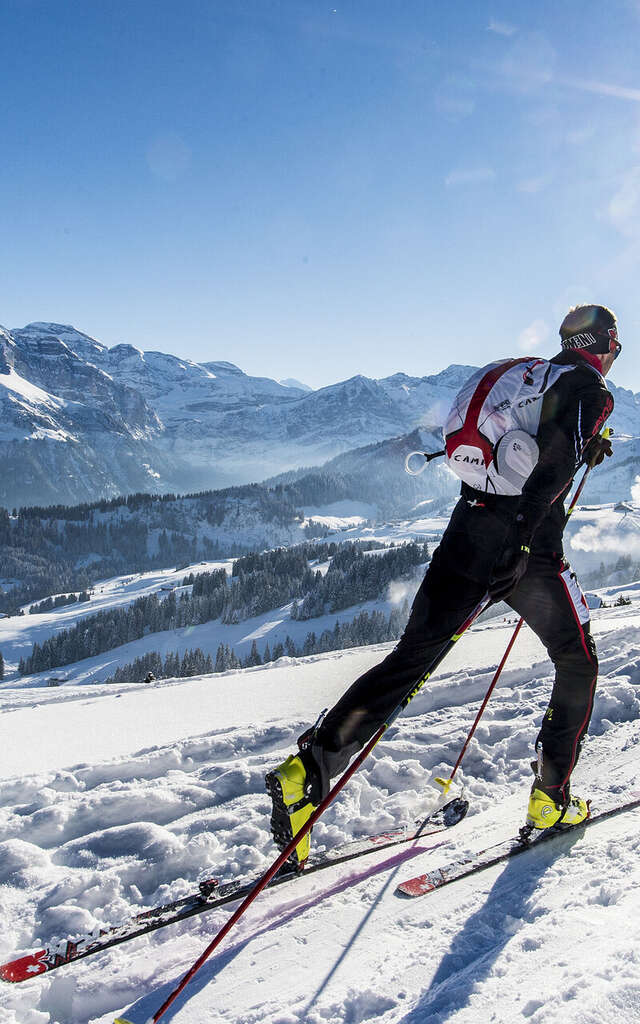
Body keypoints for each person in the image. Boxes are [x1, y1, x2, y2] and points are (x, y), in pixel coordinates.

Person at [266, 304, 619, 867]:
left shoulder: (532, 377)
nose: (614, 359)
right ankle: (551, 799)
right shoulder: (587, 386)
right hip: (526, 550)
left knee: (410, 660)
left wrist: (582, 448)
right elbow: (549, 465)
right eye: (615, 349)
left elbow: (540, 445)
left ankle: (304, 774)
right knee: (577, 662)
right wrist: (525, 542)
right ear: (603, 345)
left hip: (468, 530)